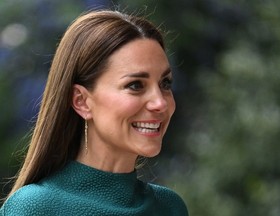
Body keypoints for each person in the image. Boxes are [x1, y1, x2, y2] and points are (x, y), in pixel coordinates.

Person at [0, 9, 188, 216]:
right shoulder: (35, 208)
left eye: (165, 83)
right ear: (81, 101)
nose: (160, 103)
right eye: (135, 85)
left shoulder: (169, 207)